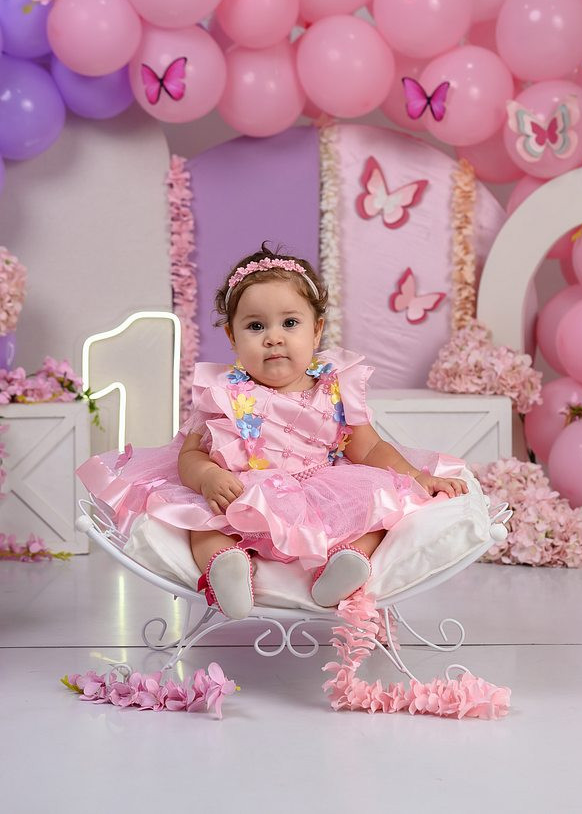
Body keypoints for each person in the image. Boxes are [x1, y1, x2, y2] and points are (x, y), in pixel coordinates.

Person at [77, 244, 469, 621]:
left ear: (316, 332)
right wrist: (209, 476)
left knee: (381, 510)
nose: (273, 337)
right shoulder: (223, 393)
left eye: (290, 323)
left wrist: (415, 476)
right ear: (232, 337)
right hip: (243, 495)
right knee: (202, 520)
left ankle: (347, 563)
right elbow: (191, 454)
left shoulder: (335, 387)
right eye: (255, 326)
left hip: (323, 494)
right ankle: (226, 568)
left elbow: (368, 450)